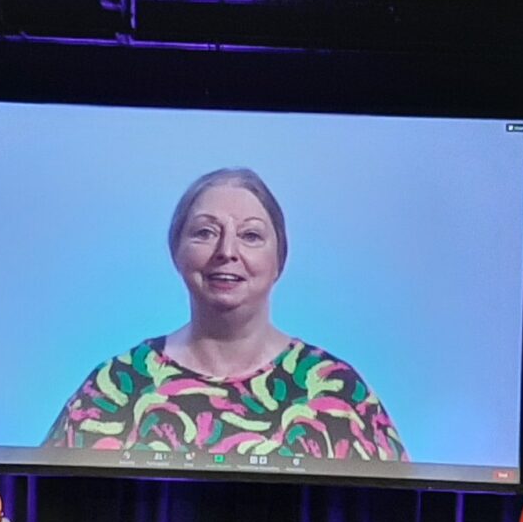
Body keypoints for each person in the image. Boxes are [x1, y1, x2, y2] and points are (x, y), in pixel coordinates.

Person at [42, 167, 407, 464]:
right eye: (205, 232)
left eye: (250, 235)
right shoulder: (118, 386)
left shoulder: (336, 391)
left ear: (279, 260)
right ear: (176, 252)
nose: (226, 251)